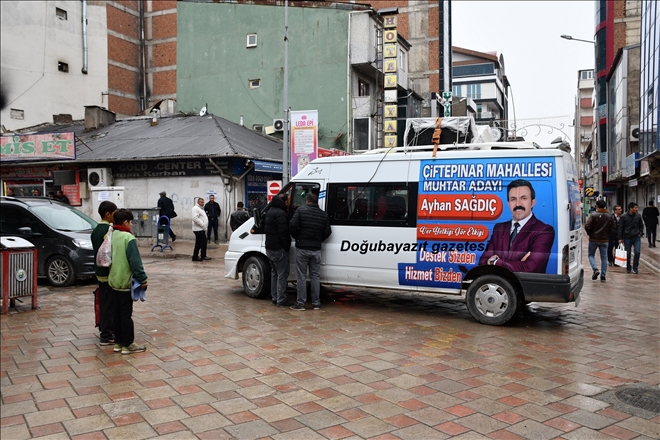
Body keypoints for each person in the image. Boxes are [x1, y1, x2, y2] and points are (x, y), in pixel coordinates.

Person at [478, 179, 556, 273]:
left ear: (532, 202)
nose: (518, 204)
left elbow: (530, 268)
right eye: (513, 199)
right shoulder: (499, 228)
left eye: (523, 198)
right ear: (508, 204)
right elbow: (483, 262)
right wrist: (517, 264)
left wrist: (496, 262)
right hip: (500, 286)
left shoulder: (544, 231)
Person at [108, 209, 148, 355]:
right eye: (131, 222)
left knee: (117, 314)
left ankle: (118, 342)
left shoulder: (112, 235)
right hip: (125, 282)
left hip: (113, 281)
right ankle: (128, 344)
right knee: (126, 314)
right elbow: (135, 262)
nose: (132, 225)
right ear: (126, 222)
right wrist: (143, 279)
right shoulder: (128, 238)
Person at [289, 193, 332, 311]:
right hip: (316, 249)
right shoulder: (323, 215)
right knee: (315, 276)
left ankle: (301, 303)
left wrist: (297, 237)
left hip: (302, 248)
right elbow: (328, 232)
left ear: (307, 201)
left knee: (301, 276)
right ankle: (316, 303)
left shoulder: (300, 211)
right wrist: (318, 240)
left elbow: (292, 225)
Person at [91, 201, 117, 345]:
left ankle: (106, 329)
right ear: (108, 214)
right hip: (107, 273)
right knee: (108, 305)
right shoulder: (108, 229)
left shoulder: (96, 229)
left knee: (104, 302)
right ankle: (106, 335)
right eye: (114, 213)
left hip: (99, 272)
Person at [264, 195, 291, 306]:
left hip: (269, 247)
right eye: (288, 200)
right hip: (278, 248)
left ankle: (275, 297)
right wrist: (286, 246)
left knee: (274, 273)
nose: (289, 202)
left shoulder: (270, 211)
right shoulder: (280, 214)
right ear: (284, 202)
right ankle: (281, 299)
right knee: (282, 274)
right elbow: (283, 233)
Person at [584, 199, 616, 282]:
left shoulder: (593, 215)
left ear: (597, 206)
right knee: (604, 257)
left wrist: (590, 233)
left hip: (593, 239)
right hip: (604, 239)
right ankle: (603, 275)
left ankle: (595, 269)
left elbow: (587, 226)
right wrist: (607, 233)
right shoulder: (610, 216)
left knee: (591, 255)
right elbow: (613, 228)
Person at [618, 202, 644, 274]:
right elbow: (620, 227)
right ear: (631, 208)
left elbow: (641, 225)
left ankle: (635, 267)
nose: (637, 209)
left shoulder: (638, 216)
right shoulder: (623, 216)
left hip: (636, 237)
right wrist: (620, 238)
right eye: (635, 208)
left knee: (637, 252)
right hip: (627, 238)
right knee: (628, 253)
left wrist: (640, 233)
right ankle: (628, 267)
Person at [191, 197, 211, 261]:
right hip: (198, 229)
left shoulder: (201, 209)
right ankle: (203, 255)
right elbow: (195, 218)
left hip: (201, 229)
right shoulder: (195, 208)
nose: (202, 203)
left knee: (198, 243)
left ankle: (195, 256)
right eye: (201, 202)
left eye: (203, 202)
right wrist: (202, 224)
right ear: (198, 202)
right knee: (203, 241)